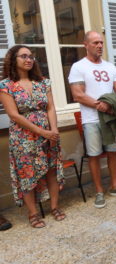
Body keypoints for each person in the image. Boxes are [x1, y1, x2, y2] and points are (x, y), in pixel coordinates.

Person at [0, 45, 65, 228]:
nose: (28, 59)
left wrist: (53, 130)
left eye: (31, 56)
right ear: (13, 60)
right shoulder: (5, 85)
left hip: (48, 134)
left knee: (51, 170)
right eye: (23, 56)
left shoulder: (44, 82)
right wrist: (42, 132)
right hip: (23, 138)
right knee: (27, 174)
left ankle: (54, 207)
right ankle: (33, 213)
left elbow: (50, 107)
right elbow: (14, 115)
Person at [69, 31, 116, 209]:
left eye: (101, 43)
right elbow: (78, 94)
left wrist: (114, 102)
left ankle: (114, 186)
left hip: (111, 117)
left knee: (113, 152)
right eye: (95, 42)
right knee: (94, 155)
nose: (99, 46)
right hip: (91, 119)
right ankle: (99, 191)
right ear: (86, 45)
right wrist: (101, 105)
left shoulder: (110, 66)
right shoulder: (78, 67)